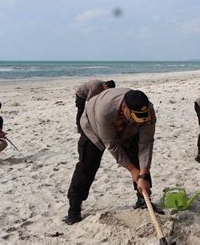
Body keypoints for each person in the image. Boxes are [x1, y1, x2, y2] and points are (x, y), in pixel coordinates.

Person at [65, 88, 160, 225]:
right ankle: (74, 209)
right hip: (94, 127)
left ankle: (143, 200)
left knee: (138, 161)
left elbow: (146, 144)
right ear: (124, 108)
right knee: (88, 165)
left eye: (142, 118)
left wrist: (143, 174)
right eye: (136, 118)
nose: (140, 121)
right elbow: (112, 145)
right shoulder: (105, 110)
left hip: (128, 128)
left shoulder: (148, 112)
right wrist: (133, 171)